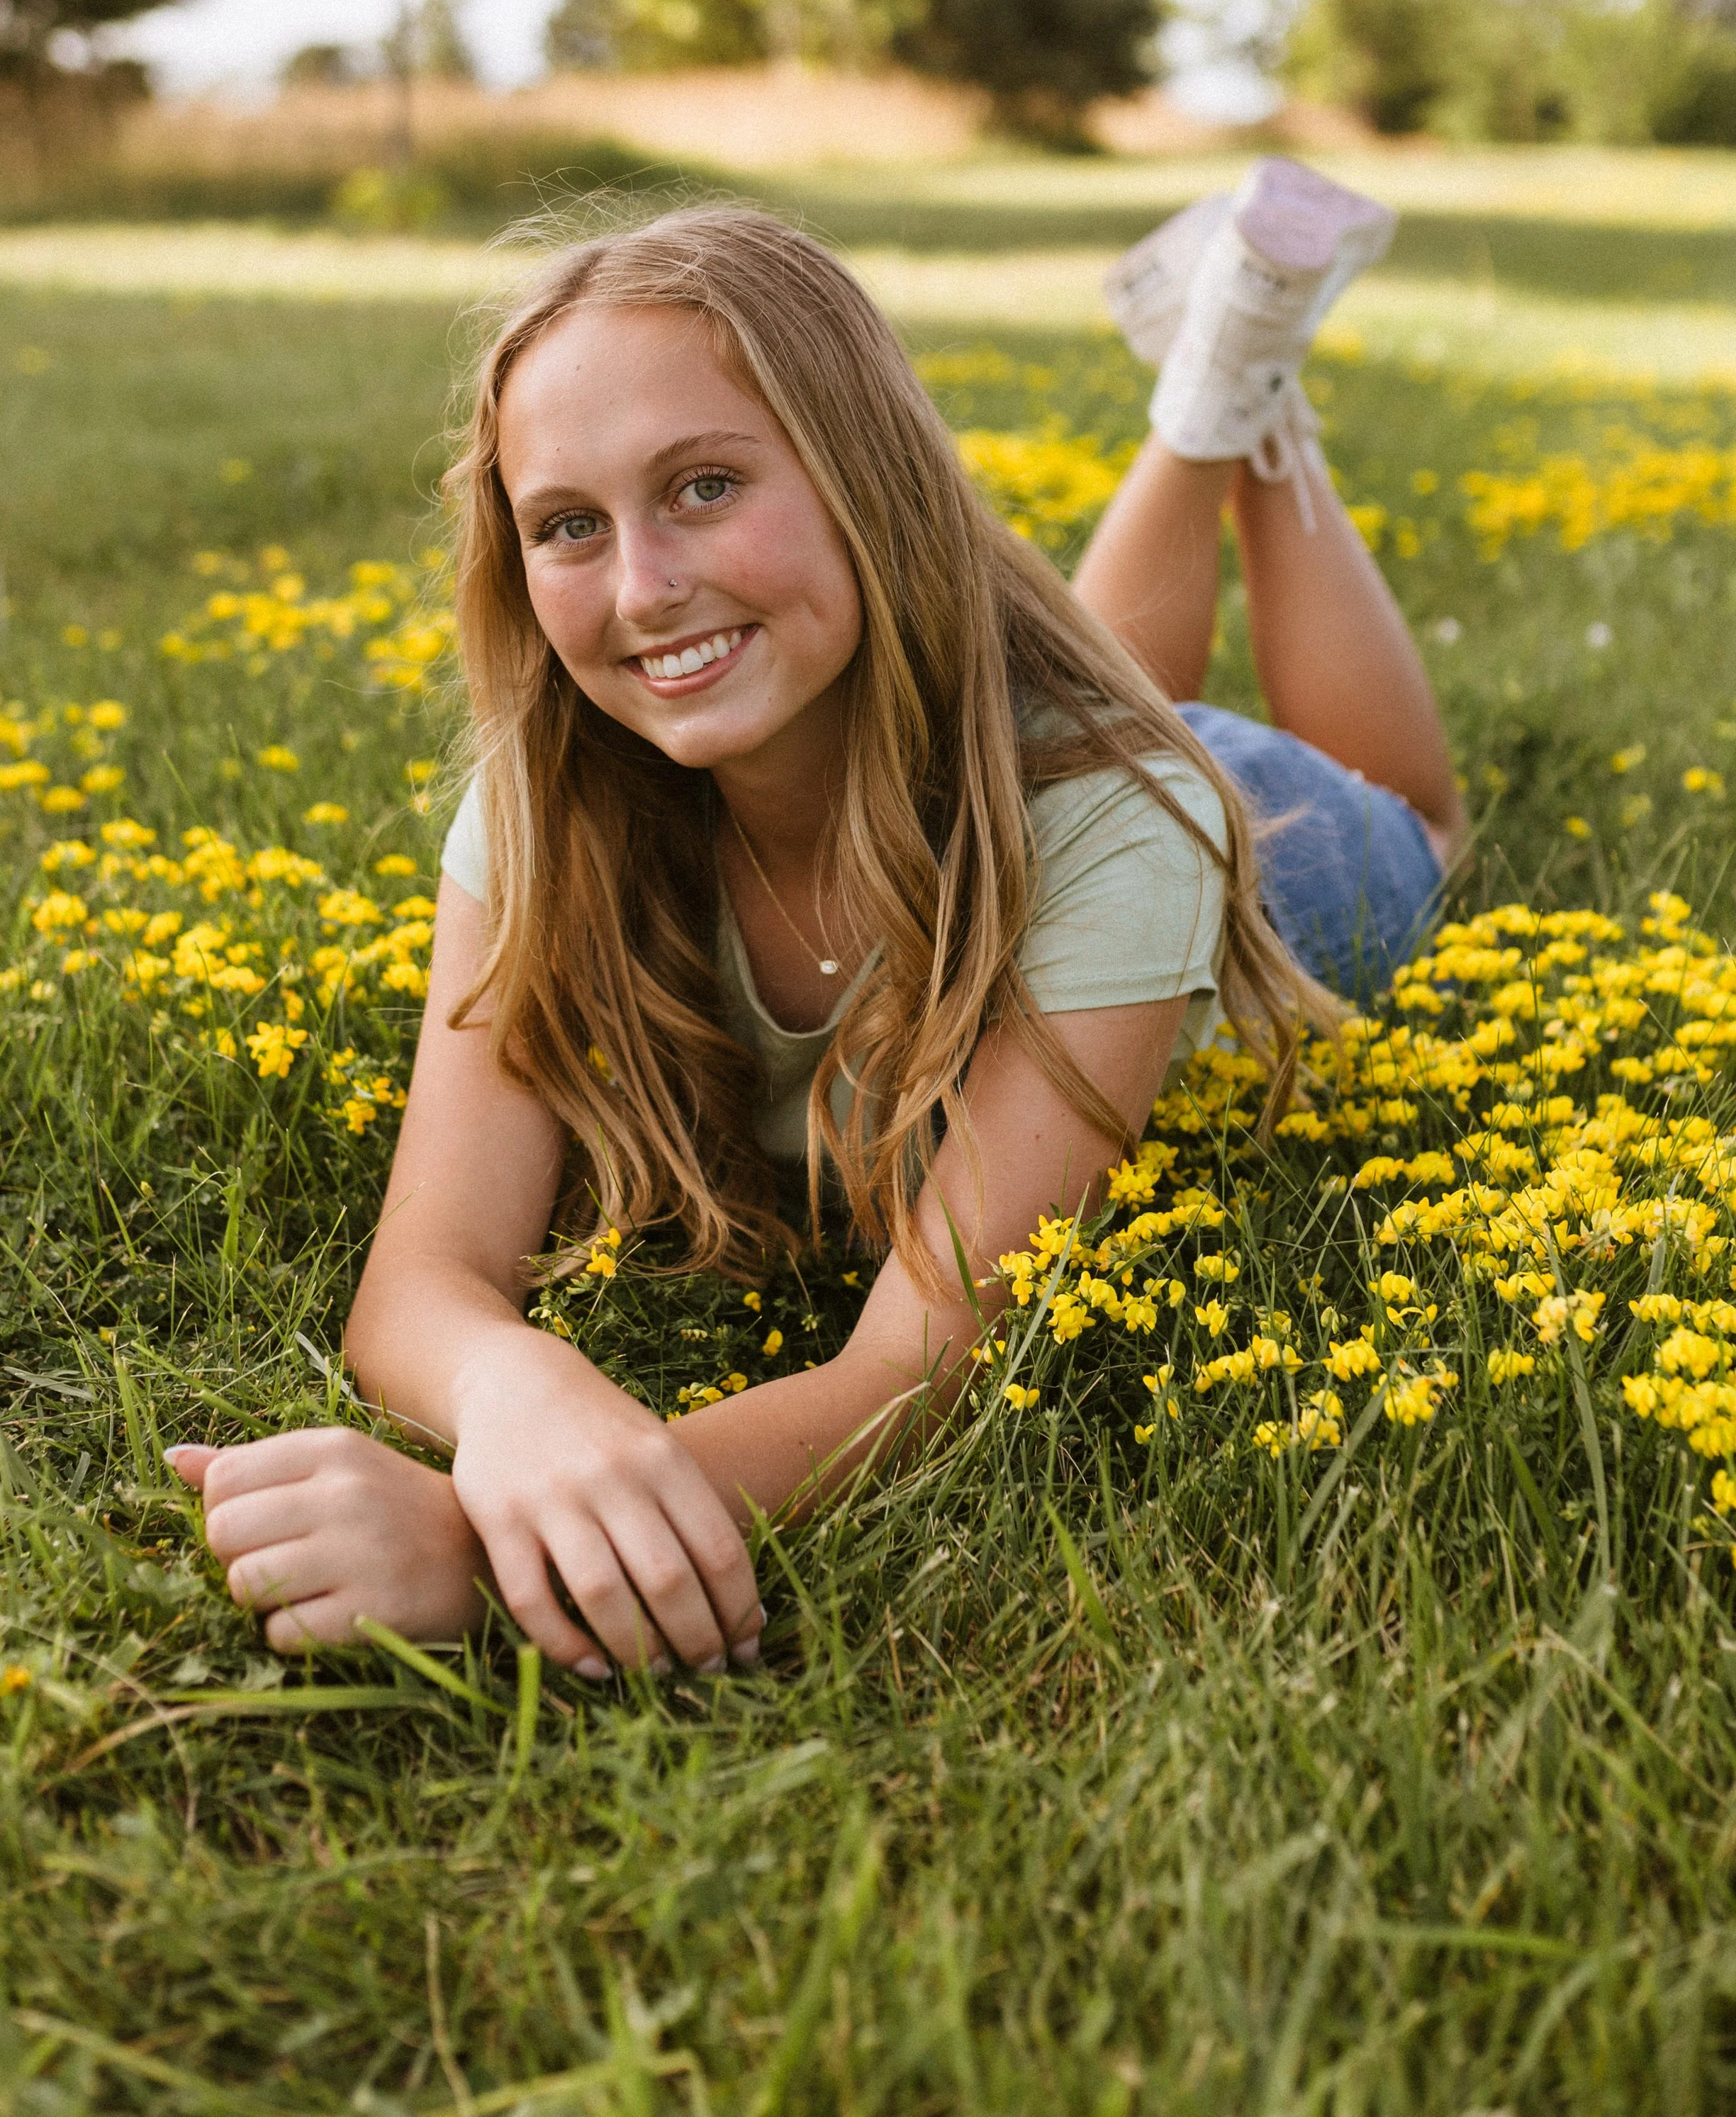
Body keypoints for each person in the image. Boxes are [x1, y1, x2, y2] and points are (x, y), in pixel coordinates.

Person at [167, 163, 1466, 1678]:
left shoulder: (1127, 826)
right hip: (1010, 752)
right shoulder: (547, 799)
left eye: (704, 487)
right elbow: (420, 1284)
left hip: (1234, 842)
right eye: (568, 526)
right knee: (1091, 702)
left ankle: (1244, 397)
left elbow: (920, 1370)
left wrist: (495, 1540)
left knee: (1403, 820)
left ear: (865, 476)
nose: (643, 587)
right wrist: (522, 1396)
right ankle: (1214, 372)